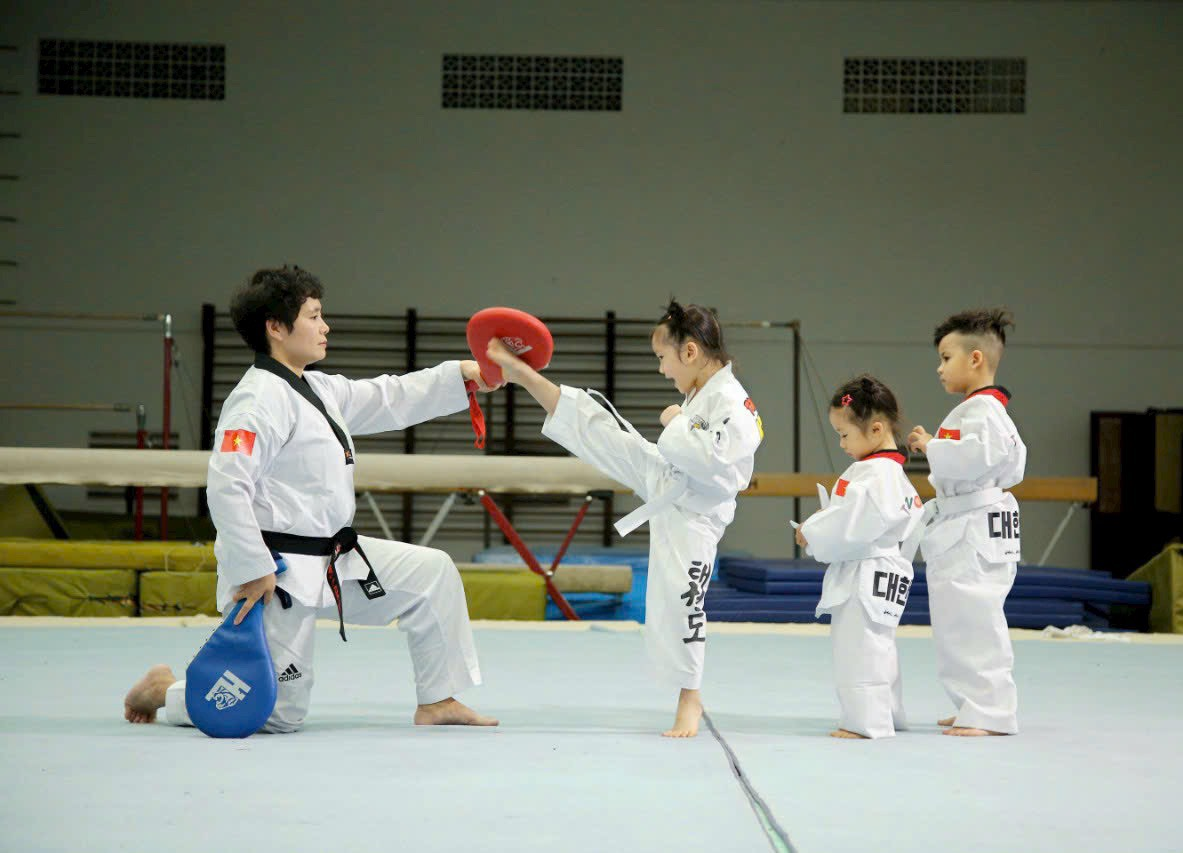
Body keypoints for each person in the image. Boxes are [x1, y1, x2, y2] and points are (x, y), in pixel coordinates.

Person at [124, 265, 499, 732]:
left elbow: (390, 396)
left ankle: (438, 699)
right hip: (276, 572)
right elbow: (226, 486)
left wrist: (464, 376)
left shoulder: (317, 387)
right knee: (276, 714)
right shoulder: (256, 400)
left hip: (335, 558)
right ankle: (165, 690)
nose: (325, 327)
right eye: (314, 316)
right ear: (276, 328)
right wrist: (252, 567)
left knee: (431, 573)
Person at [486, 300, 763, 737]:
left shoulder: (736, 404)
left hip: (695, 515)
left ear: (689, 353)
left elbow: (714, 460)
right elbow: (687, 449)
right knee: (597, 430)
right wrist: (680, 425)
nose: (661, 371)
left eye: (662, 359)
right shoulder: (704, 392)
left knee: (683, 601)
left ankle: (690, 696)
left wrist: (676, 423)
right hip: (667, 482)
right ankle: (524, 376)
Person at [905, 308, 1025, 736]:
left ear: (976, 359)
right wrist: (934, 445)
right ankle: (975, 704)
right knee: (959, 621)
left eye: (946, 357)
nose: (940, 368)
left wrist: (932, 445)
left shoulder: (984, 412)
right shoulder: (978, 411)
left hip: (975, 524)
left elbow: (980, 458)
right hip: (966, 522)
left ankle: (991, 712)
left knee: (974, 619)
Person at [796, 375, 922, 739]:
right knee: (880, 646)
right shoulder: (893, 474)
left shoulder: (874, 474)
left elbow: (849, 526)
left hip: (867, 572)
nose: (841, 443)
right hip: (887, 569)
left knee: (858, 648)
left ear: (877, 428)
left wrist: (811, 532)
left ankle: (866, 722)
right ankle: (888, 713)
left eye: (845, 434)